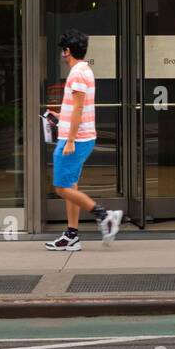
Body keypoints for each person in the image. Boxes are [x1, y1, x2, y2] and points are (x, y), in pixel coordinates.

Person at [45, 29, 121, 251]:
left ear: (68, 51)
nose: (62, 55)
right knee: (70, 185)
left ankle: (105, 215)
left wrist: (69, 140)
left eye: (63, 51)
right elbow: (78, 108)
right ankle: (71, 235)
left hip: (75, 139)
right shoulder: (84, 70)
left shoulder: (77, 73)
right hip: (80, 136)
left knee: (60, 187)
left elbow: (78, 108)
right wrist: (61, 117)